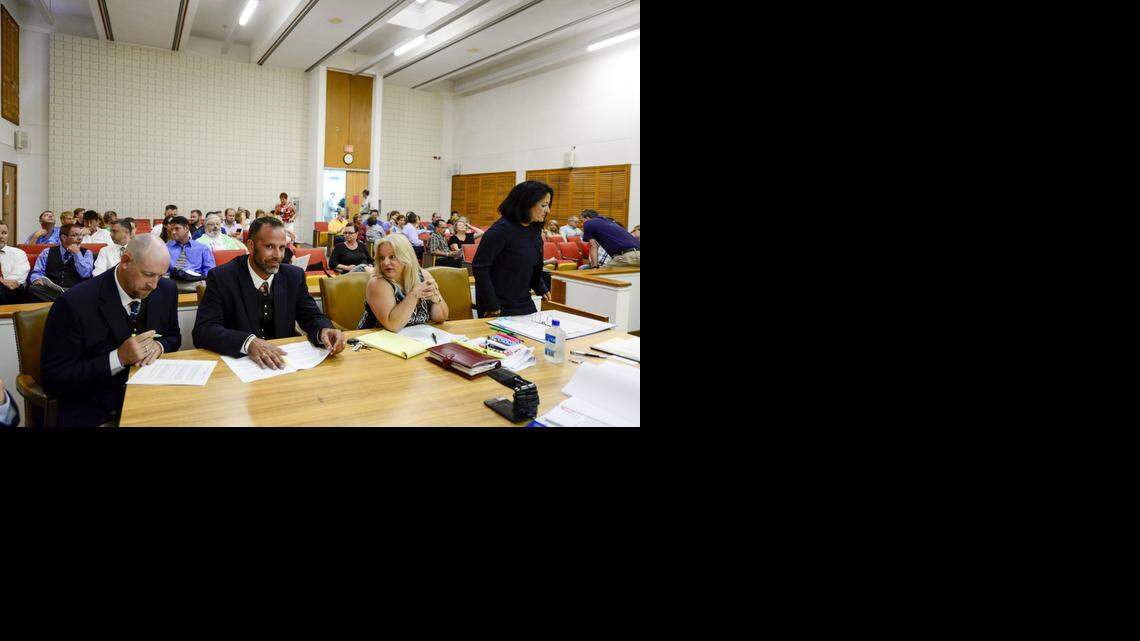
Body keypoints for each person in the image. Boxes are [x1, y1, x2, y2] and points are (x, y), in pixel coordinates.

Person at [41, 234, 181, 427]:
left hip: (152, 402)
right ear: (125, 261)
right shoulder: (74, 303)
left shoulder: (167, 290)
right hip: (95, 409)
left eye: (161, 275)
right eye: (148, 274)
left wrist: (158, 346)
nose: (154, 285)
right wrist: (119, 358)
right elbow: (55, 378)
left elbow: (173, 337)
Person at [193, 216, 346, 369]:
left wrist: (324, 330)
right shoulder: (222, 277)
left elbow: (311, 316)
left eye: (282, 247)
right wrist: (248, 343)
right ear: (251, 246)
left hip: (285, 364)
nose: (278, 256)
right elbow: (203, 331)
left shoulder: (294, 276)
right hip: (240, 367)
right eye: (269, 247)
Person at [472, 181, 552, 318]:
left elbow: (533, 263)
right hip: (499, 303)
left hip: (523, 299)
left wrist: (540, 286)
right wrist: (491, 303)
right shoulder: (501, 230)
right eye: (543, 205)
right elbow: (480, 267)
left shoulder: (534, 229)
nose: (548, 210)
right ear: (526, 203)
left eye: (548, 205)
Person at [359, 234, 447, 331]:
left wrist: (436, 300)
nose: (385, 263)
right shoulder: (377, 283)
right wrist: (414, 294)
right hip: (374, 342)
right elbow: (393, 325)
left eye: (392, 257)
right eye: (382, 258)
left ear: (406, 257)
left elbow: (441, 318)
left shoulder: (423, 275)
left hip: (415, 339)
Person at [28, 224, 94, 301]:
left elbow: (85, 274)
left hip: (75, 290)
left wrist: (77, 254)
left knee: (85, 292)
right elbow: (37, 272)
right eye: (75, 235)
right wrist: (37, 279)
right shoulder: (47, 252)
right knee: (34, 289)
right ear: (64, 237)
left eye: (81, 235)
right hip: (53, 291)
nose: (80, 238)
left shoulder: (87, 253)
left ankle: (60, 301)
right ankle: (65, 301)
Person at [165, 216, 216, 292]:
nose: (173, 232)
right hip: (173, 282)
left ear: (186, 228)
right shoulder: (167, 247)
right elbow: (163, 270)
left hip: (195, 282)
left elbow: (210, 270)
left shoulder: (202, 248)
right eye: (171, 229)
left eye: (177, 229)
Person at [0, 222, 30, 304]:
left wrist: (2, 282)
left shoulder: (18, 253)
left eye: (4, 233)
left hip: (14, 290)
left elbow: (18, 277)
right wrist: (1, 280)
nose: (1, 236)